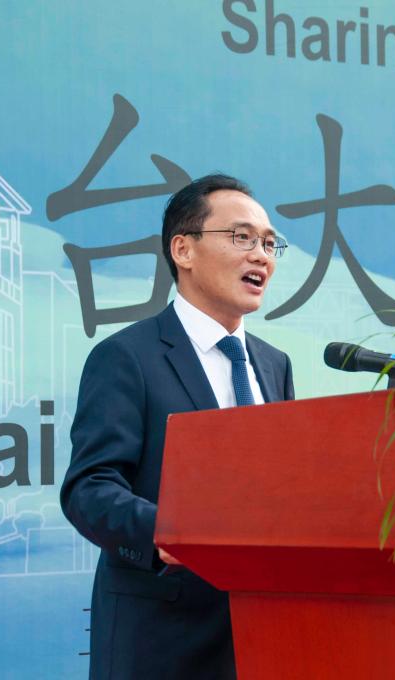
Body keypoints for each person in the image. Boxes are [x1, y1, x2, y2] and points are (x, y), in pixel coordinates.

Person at [61, 174, 294, 679]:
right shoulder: (127, 358)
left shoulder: (274, 365)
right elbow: (89, 489)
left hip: (264, 633)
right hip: (163, 640)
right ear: (183, 250)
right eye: (242, 237)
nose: (261, 256)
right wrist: (167, 532)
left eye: (269, 243)